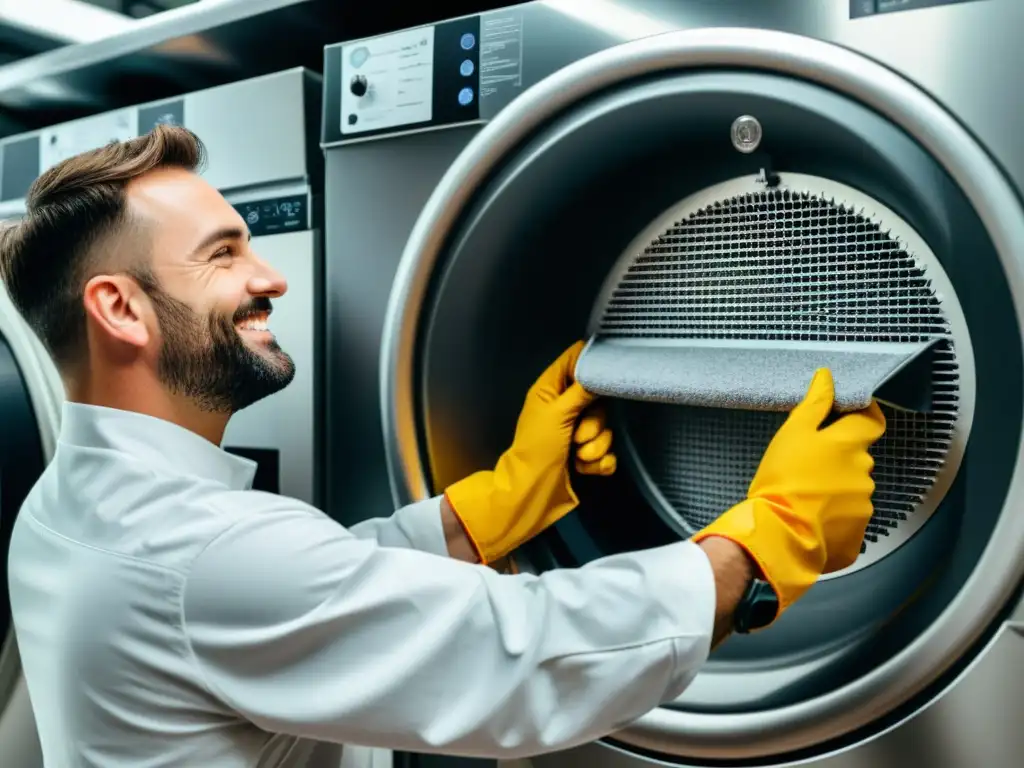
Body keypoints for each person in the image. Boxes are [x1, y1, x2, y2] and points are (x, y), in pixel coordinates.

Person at [0, 125, 886, 768]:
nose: (268, 276)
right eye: (223, 254)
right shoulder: (203, 555)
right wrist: (771, 539)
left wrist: (499, 499)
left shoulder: (61, 508)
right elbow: (529, 652)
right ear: (121, 309)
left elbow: (298, 598)